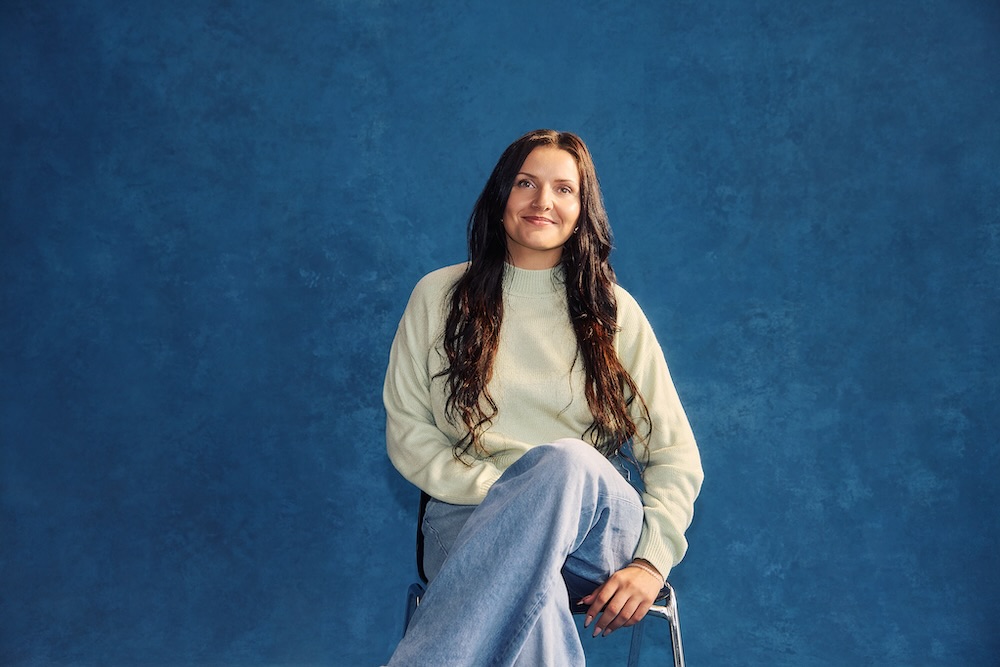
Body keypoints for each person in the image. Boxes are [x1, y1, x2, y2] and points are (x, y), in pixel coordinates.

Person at [383, 129, 703, 666]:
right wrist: (512, 497)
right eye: (526, 183)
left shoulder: (613, 312)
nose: (543, 201)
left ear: (582, 209)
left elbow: (675, 453)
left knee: (566, 460)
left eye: (563, 189)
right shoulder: (437, 297)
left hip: (593, 531)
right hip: (467, 519)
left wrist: (652, 560)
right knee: (531, 586)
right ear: (500, 196)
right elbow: (409, 432)